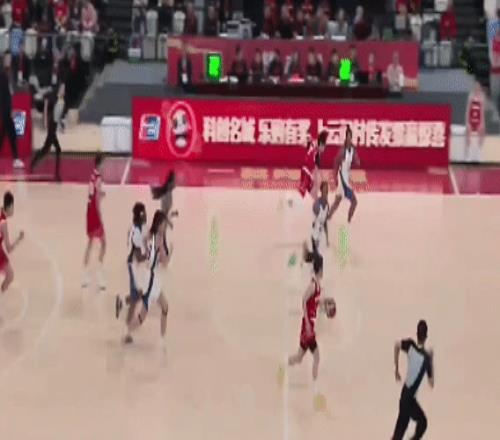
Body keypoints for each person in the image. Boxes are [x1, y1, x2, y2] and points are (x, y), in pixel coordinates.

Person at [279, 255, 335, 408]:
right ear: (320, 270)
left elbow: (315, 303)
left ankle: (283, 365)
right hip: (308, 327)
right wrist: (308, 323)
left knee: (299, 358)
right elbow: (304, 300)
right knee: (317, 356)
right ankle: (316, 393)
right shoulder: (313, 285)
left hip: (309, 326)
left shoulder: (318, 286)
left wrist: (326, 304)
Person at [121, 210, 172, 344]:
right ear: (159, 224)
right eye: (164, 224)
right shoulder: (159, 240)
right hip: (151, 280)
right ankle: (127, 331)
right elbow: (165, 262)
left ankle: (163, 338)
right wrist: (170, 252)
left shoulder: (149, 236)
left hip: (148, 276)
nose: (165, 226)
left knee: (165, 306)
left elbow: (145, 247)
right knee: (144, 315)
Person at [392, 320, 434, 440]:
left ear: (417, 334)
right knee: (422, 423)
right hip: (409, 399)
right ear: (426, 336)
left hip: (405, 395)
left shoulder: (410, 345)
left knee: (399, 433)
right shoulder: (426, 358)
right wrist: (431, 360)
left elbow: (396, 344)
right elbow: (431, 383)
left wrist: (396, 369)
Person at [115, 202, 148, 343]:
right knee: (135, 301)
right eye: (144, 213)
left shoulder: (135, 228)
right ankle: (127, 332)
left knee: (139, 295)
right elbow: (138, 255)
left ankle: (122, 303)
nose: (146, 215)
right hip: (134, 267)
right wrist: (150, 255)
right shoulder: (137, 232)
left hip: (134, 266)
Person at [30, 84, 64, 181]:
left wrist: (61, 125)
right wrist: (45, 121)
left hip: (53, 126)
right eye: (62, 89)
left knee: (48, 149)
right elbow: (46, 107)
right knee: (51, 149)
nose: (63, 91)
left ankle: (35, 162)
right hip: (51, 126)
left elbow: (58, 115)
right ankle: (56, 174)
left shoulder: (61, 100)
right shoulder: (53, 97)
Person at [82, 154, 106, 289]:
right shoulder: (99, 178)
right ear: (100, 164)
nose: (104, 166)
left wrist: (101, 194)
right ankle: (100, 276)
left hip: (89, 212)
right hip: (95, 213)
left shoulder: (92, 176)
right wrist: (100, 216)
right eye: (103, 164)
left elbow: (92, 194)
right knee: (104, 244)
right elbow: (96, 200)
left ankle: (85, 277)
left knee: (90, 243)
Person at [329, 126, 360, 224]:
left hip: (346, 178)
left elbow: (356, 159)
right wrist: (335, 177)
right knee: (353, 201)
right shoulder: (342, 151)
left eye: (351, 137)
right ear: (346, 137)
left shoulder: (353, 149)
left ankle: (330, 217)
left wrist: (357, 161)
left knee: (339, 201)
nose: (349, 139)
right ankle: (348, 221)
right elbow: (336, 163)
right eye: (348, 137)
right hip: (342, 179)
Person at [0, 54, 25, 169]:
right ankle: (16, 159)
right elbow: (3, 95)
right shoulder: (2, 75)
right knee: (11, 134)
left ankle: (16, 159)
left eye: (9, 59)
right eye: (6, 59)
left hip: (7, 107)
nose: (8, 61)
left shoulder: (10, 73)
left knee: (5, 134)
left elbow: (10, 92)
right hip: (5, 108)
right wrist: (9, 110)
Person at [0, 191, 24, 293]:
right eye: (13, 207)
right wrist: (19, 239)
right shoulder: (3, 223)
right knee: (10, 276)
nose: (13, 211)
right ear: (9, 207)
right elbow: (9, 248)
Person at [298, 130, 328, 200]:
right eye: (324, 146)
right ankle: (290, 202)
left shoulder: (314, 145)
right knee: (303, 190)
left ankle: (318, 203)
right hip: (306, 170)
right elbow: (317, 166)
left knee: (312, 190)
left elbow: (304, 143)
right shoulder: (316, 149)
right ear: (321, 144)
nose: (324, 149)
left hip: (308, 170)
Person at [466, 81, 486, 162]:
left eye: (478, 87)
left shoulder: (482, 96)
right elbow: (468, 110)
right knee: (468, 134)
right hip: (471, 119)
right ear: (474, 88)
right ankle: (468, 156)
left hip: (478, 119)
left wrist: (482, 123)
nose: (477, 88)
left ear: (480, 88)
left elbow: (482, 111)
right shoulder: (471, 95)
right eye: (475, 87)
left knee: (482, 133)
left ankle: (478, 155)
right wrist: (467, 122)